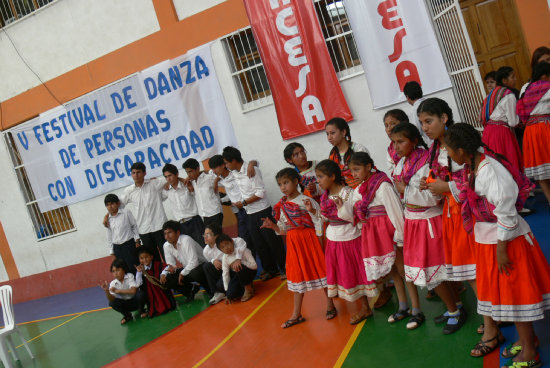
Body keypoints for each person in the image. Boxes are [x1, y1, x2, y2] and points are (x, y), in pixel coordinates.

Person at [444, 123, 550, 366]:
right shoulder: (474, 165)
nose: (448, 154)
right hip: (490, 239)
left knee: (516, 297)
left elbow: (507, 212)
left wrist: (501, 250)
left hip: (505, 243)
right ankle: (528, 339)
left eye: (449, 150)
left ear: (461, 151)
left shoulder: (490, 170)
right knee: (509, 296)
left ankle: (530, 354)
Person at [391, 116, 466, 335]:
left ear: (414, 141)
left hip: (428, 221)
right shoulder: (401, 164)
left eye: (401, 141)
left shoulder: (426, 162)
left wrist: (406, 191)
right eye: (394, 142)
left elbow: (435, 197)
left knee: (433, 271)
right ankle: (456, 307)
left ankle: (454, 310)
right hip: (413, 222)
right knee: (431, 271)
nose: (396, 147)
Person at [341, 152, 411, 323]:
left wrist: (400, 236)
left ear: (368, 166)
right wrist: (341, 206)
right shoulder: (360, 188)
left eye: (357, 169)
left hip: (388, 234)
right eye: (352, 171)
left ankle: (416, 308)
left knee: (404, 271)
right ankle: (403, 306)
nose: (354, 174)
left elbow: (395, 212)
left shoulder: (382, 185)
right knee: (394, 272)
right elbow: (349, 214)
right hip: (375, 235)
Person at [261, 168, 334, 328]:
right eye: (280, 184)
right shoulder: (282, 205)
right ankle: (296, 314)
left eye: (286, 182)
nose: (283, 187)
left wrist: (320, 240)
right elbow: (283, 229)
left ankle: (330, 305)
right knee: (296, 276)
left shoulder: (306, 200)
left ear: (296, 182)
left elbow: (319, 219)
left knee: (321, 271)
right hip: (294, 244)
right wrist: (272, 226)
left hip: (310, 240)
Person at [419, 99, 477, 292]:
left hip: (470, 211)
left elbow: (476, 176)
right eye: (422, 123)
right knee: (468, 266)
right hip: (452, 212)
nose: (425, 128)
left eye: (429, 121)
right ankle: (492, 314)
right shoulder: (434, 149)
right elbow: (440, 178)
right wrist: (430, 185)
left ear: (444, 118)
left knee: (477, 263)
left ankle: (494, 313)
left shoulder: (460, 143)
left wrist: (447, 186)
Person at [310, 160, 376, 325]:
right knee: (344, 272)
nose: (318, 180)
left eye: (320, 176)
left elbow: (355, 216)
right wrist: (314, 212)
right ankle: (361, 306)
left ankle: (365, 307)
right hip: (334, 238)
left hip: (350, 237)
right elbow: (325, 217)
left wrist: (341, 208)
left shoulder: (348, 193)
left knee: (355, 271)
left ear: (332, 176)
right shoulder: (325, 196)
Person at [222, 146, 286, 281]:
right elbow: (254, 161)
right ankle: (271, 269)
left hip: (262, 210)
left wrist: (244, 203)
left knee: (273, 242)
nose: (226, 166)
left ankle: (285, 268)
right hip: (249, 213)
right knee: (259, 244)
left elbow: (260, 193)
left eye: (227, 163)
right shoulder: (235, 173)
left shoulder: (252, 170)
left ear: (234, 160)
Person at [110, 162, 167, 261]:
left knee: (167, 256)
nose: (136, 175)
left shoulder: (154, 183)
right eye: (133, 173)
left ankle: (171, 276)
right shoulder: (129, 191)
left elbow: (171, 179)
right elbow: (118, 205)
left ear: (144, 173)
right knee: (152, 259)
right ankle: (158, 277)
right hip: (144, 230)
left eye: (138, 172)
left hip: (159, 226)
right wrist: (107, 215)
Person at [517, 62, 550, 207]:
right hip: (544, 128)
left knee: (541, 168)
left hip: (530, 132)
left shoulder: (525, 88)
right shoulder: (547, 87)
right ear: (544, 76)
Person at [208, 155, 255, 254]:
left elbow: (255, 162)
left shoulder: (235, 174)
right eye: (212, 169)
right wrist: (216, 180)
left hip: (248, 207)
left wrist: (251, 164)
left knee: (253, 235)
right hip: (237, 211)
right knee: (244, 237)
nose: (214, 171)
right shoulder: (219, 177)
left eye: (215, 167)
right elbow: (205, 172)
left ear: (223, 165)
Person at [160, 220, 210, 302]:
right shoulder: (166, 245)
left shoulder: (186, 240)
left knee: (195, 273)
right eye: (165, 234)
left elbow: (194, 263)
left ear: (178, 232)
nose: (167, 237)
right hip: (188, 269)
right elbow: (171, 265)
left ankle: (210, 290)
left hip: (202, 266)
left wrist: (182, 273)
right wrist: (164, 273)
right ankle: (190, 290)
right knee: (167, 279)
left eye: (169, 233)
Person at [201, 224, 249, 305]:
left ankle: (245, 287)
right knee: (206, 266)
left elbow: (242, 245)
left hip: (235, 270)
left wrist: (237, 258)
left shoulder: (225, 243)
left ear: (216, 236)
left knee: (224, 287)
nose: (205, 237)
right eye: (204, 234)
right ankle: (217, 293)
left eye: (208, 234)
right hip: (224, 271)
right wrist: (213, 261)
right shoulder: (206, 250)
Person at [161, 163, 205, 246]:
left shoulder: (187, 184)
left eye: (170, 175)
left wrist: (183, 180)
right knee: (189, 249)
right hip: (180, 225)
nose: (168, 179)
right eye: (166, 177)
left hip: (194, 221)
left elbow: (203, 173)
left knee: (203, 245)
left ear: (176, 174)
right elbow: (158, 197)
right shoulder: (166, 190)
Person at [325, 117, 370, 188]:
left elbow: (367, 173)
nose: (329, 138)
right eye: (327, 134)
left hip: (365, 188)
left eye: (332, 133)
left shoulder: (358, 149)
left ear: (343, 132)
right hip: (346, 193)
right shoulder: (332, 155)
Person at [100, 258, 145, 325]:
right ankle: (127, 315)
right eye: (113, 271)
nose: (115, 273)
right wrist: (106, 291)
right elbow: (111, 299)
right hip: (126, 304)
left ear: (124, 270)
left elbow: (133, 290)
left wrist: (118, 291)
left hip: (135, 301)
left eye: (118, 270)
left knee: (141, 294)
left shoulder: (129, 276)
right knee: (112, 303)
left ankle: (141, 310)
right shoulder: (113, 283)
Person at [182, 158, 223, 230]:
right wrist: (190, 188)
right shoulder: (192, 182)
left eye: (190, 171)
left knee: (215, 236)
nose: (189, 174)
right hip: (203, 215)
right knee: (210, 239)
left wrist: (216, 181)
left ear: (197, 168)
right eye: (187, 172)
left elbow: (223, 178)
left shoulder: (209, 177)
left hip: (215, 212)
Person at [104, 194, 140, 274]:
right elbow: (109, 236)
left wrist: (137, 240)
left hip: (129, 245)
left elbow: (134, 226)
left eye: (112, 204)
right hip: (117, 248)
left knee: (134, 267)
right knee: (123, 270)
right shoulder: (107, 219)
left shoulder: (126, 212)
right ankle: (130, 287)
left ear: (118, 203)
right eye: (108, 205)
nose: (110, 207)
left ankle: (140, 286)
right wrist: (112, 252)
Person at [135, 246, 176, 317]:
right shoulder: (141, 270)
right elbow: (138, 283)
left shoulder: (157, 264)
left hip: (161, 289)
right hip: (150, 292)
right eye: (141, 258)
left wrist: (163, 274)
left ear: (151, 257)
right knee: (141, 295)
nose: (144, 260)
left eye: (146, 257)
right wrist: (138, 272)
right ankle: (146, 310)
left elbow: (166, 267)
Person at [217, 234, 257, 303]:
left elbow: (255, 266)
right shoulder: (225, 257)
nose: (226, 248)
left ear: (232, 242)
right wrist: (227, 292)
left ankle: (248, 289)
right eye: (223, 247)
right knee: (231, 295)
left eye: (227, 244)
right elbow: (225, 274)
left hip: (249, 271)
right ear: (221, 250)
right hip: (238, 274)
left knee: (239, 267)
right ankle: (245, 286)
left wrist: (241, 262)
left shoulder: (243, 250)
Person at [404, 81, 432, 145]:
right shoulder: (431, 102)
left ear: (407, 97)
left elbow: (416, 132)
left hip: (433, 145)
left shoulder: (414, 111)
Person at [383, 109, 410, 174]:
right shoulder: (390, 150)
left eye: (393, 124)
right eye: (386, 125)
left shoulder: (414, 144)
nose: (389, 129)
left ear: (404, 123)